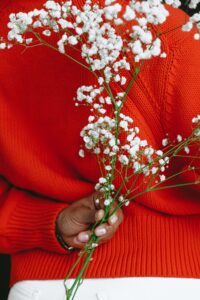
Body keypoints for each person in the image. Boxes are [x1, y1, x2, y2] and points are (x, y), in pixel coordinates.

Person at [0, 0, 200, 299]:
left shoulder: (9, 27)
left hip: (37, 286)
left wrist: (48, 221)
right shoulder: (164, 30)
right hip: (169, 280)